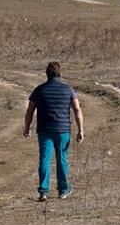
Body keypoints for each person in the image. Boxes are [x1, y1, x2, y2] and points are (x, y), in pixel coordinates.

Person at [24, 61, 84, 201]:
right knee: (61, 159)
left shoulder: (39, 90)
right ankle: (63, 190)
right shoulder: (68, 90)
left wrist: (27, 127)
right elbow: (77, 110)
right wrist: (81, 129)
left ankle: (43, 191)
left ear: (47, 74)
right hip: (63, 130)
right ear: (59, 73)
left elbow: (29, 111)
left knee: (44, 159)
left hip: (44, 130)